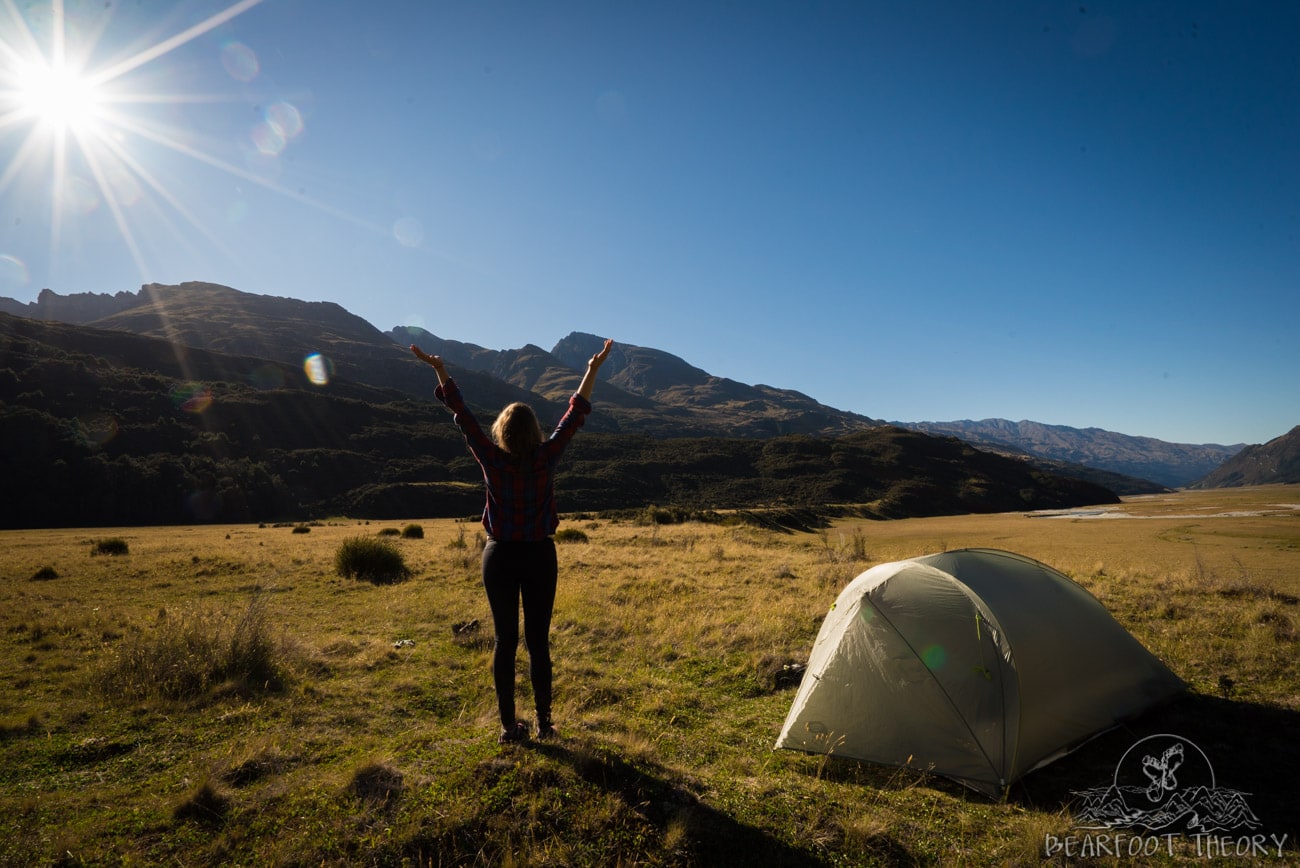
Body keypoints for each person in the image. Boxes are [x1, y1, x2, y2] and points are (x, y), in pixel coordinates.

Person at [411, 338, 614, 744]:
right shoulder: (547, 456)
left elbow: (464, 416)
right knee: (538, 642)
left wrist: (439, 369)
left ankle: (508, 727)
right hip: (540, 555)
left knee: (505, 641)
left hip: (499, 555)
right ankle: (543, 723)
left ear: (502, 431)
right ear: (535, 431)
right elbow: (575, 413)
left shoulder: (492, 457)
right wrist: (592, 367)